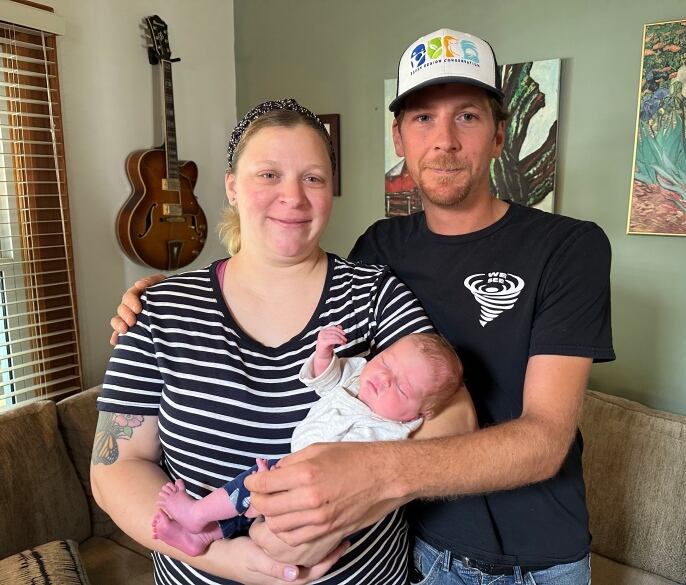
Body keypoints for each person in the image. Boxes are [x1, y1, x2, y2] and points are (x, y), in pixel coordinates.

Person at [111, 28, 615, 585]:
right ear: (398, 136)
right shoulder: (381, 250)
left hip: (533, 553)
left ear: (500, 135)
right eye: (423, 118)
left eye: (467, 117)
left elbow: (541, 438)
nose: (444, 139)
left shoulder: (565, 248)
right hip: (427, 544)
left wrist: (367, 478)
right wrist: (157, 297)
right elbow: (117, 465)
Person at [92, 98, 475, 585]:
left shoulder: (374, 293)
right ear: (232, 187)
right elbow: (114, 466)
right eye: (268, 175)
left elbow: (457, 417)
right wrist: (223, 559)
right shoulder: (162, 310)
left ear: (332, 191)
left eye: (313, 178)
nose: (292, 197)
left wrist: (355, 497)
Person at [152, 327, 466, 558]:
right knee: (252, 505)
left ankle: (197, 514)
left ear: (421, 413)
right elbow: (325, 382)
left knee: (250, 486)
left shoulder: (391, 431)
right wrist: (324, 355)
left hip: (317, 484)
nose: (382, 378)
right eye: (385, 362)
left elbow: (361, 469)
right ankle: (204, 538)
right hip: (294, 465)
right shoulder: (359, 373)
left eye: (401, 387)